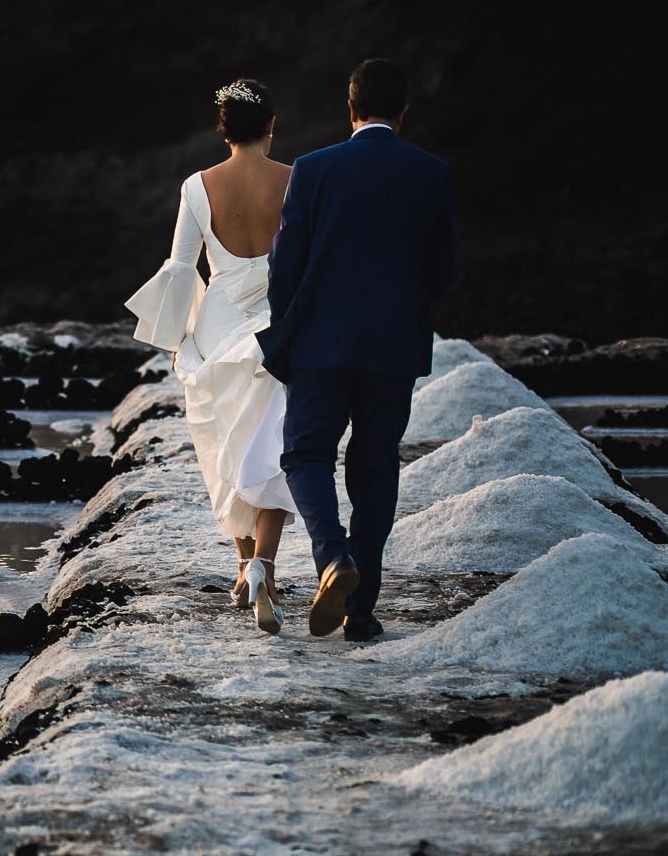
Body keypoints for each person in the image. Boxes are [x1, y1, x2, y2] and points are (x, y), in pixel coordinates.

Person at [258, 58, 457, 641]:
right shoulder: (431, 173)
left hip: (321, 345)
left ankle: (332, 558)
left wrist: (289, 330)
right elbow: (441, 272)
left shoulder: (314, 169)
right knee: (374, 471)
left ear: (350, 109)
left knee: (305, 456)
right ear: (403, 113)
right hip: (393, 350)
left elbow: (284, 265)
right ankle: (360, 610)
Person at [127, 79, 299, 634]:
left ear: (223, 131)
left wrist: (179, 336)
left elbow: (181, 267)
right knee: (274, 444)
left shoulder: (197, 187)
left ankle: (244, 563)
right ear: (270, 126)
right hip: (276, 323)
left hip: (219, 323)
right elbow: (307, 258)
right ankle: (264, 569)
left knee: (226, 445)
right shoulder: (295, 180)